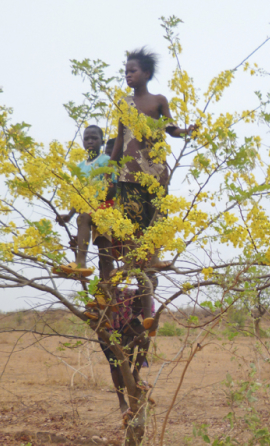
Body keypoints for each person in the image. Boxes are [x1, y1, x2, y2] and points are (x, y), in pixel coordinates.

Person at [109, 47, 196, 331]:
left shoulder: (159, 101)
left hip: (156, 174)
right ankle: (134, 279)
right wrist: (109, 173)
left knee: (154, 226)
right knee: (133, 229)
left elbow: (171, 128)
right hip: (129, 176)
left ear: (146, 73)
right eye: (125, 71)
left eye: (132, 70)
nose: (128, 75)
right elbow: (120, 141)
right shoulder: (124, 103)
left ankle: (149, 288)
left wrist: (186, 131)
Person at [55, 125, 112, 278]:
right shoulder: (80, 167)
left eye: (94, 138)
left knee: (104, 251)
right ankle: (80, 266)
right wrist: (69, 215)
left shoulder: (106, 160)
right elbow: (78, 195)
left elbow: (114, 187)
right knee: (82, 219)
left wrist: (98, 201)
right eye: (86, 139)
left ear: (102, 142)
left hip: (106, 208)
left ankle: (81, 263)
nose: (90, 141)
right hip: (88, 210)